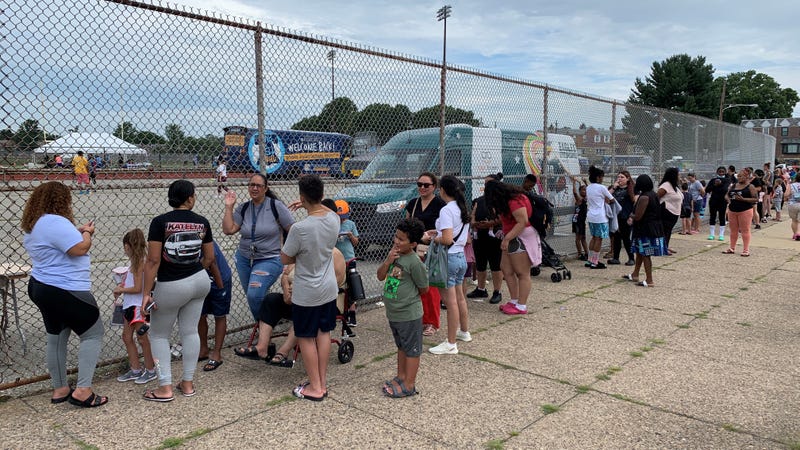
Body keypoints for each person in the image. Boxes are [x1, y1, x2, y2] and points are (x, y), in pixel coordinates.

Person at [21, 181, 108, 407]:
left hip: (41, 285)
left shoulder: (35, 223)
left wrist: (77, 232)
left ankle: (60, 388)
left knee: (57, 336)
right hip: (65, 288)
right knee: (93, 333)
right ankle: (83, 390)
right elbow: (79, 248)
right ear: (61, 201)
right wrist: (88, 233)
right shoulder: (55, 220)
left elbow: (59, 243)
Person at [141, 180, 222, 402]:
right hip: (199, 280)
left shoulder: (160, 222)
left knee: (158, 334)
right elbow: (210, 257)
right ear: (189, 198)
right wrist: (193, 270)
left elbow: (153, 260)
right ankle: (187, 383)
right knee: (190, 331)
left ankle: (164, 387)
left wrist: (146, 292)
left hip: (170, 283)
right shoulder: (202, 222)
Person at [282, 174, 339, 401]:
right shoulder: (334, 218)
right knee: (323, 333)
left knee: (306, 337)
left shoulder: (299, 228)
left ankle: (315, 388)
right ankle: (321, 381)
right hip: (328, 288)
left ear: (302, 197)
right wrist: (309, 204)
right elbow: (327, 209)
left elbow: (286, 258)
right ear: (322, 195)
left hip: (307, 291)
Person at [224, 173, 294, 358]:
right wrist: (229, 207)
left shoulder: (275, 206)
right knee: (253, 297)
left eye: (258, 185)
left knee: (255, 294)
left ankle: (264, 337)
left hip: (270, 258)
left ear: (266, 188)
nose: (254, 188)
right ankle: (266, 341)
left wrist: (291, 258)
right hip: (245, 258)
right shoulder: (244, 208)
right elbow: (228, 229)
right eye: (251, 185)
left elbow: (292, 230)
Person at [378, 218, 428, 397]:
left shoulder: (414, 262)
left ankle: (409, 384)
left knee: (412, 349)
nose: (396, 241)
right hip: (395, 313)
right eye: (396, 237)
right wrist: (387, 261)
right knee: (401, 346)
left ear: (413, 243)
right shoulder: (394, 255)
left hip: (409, 314)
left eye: (401, 239)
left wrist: (408, 299)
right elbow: (380, 276)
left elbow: (424, 288)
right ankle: (401, 376)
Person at [425, 175, 471, 355]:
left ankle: (451, 343)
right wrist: (437, 232)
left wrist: (430, 238)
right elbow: (454, 235)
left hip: (448, 259)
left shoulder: (446, 210)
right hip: (460, 257)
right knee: (459, 297)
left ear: (443, 190)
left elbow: (446, 239)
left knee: (450, 302)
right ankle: (464, 331)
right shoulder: (461, 208)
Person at [483, 179, 541, 316]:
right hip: (510, 236)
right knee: (507, 269)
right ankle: (514, 300)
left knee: (522, 273)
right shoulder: (506, 201)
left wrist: (507, 238)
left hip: (520, 237)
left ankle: (521, 305)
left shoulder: (515, 200)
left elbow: (522, 221)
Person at [404, 172, 446, 337]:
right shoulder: (413, 203)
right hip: (414, 249)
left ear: (434, 187)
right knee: (413, 286)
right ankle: (417, 319)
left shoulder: (440, 204)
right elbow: (406, 225)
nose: (422, 187)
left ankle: (432, 322)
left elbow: (445, 229)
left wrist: (431, 236)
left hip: (431, 250)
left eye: (426, 185)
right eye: (419, 184)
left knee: (430, 288)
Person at [115, 228, 157, 385]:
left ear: (127, 246)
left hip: (137, 306)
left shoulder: (140, 263)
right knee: (127, 337)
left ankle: (150, 370)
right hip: (129, 305)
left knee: (142, 338)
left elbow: (138, 288)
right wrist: (122, 286)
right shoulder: (135, 263)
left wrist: (121, 289)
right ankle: (135, 369)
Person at [623, 174, 666, 287]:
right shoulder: (653, 194)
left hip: (646, 229)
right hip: (652, 227)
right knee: (640, 252)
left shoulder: (644, 197)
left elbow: (638, 216)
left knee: (646, 254)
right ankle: (635, 274)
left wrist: (631, 216)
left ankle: (649, 279)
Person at [467, 174, 503, 304]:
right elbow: (473, 215)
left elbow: (503, 218)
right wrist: (475, 222)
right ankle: (481, 288)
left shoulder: (500, 200)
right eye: (485, 183)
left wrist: (490, 224)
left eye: (489, 183)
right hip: (480, 236)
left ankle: (497, 291)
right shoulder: (479, 200)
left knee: (495, 265)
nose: (486, 185)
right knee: (480, 264)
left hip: (494, 237)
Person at [198, 241, 232, 372]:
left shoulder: (203, 236)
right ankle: (203, 348)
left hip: (218, 278)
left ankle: (217, 353)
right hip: (201, 280)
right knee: (200, 314)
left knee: (220, 314)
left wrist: (220, 285)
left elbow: (210, 259)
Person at [585, 166, 614, 268]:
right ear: (598, 178)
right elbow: (611, 199)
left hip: (591, 216)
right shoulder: (602, 188)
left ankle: (590, 259)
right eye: (602, 177)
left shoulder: (588, 187)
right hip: (600, 217)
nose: (602, 179)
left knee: (593, 238)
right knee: (599, 239)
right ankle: (595, 261)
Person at [723, 169, 758, 256]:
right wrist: (728, 199)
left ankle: (746, 249)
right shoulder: (734, 185)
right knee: (733, 230)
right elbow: (727, 194)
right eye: (738, 176)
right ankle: (732, 247)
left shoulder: (750, 186)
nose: (739, 178)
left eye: (741, 176)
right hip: (733, 209)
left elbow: (756, 199)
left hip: (745, 210)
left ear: (746, 177)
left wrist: (744, 199)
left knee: (745, 230)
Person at [607, 170, 636, 266]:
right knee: (616, 237)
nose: (619, 179)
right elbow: (606, 196)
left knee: (626, 238)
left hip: (625, 216)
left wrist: (632, 216)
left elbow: (635, 203)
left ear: (628, 179)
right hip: (615, 216)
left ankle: (631, 258)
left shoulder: (630, 189)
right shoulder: (616, 189)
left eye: (622, 177)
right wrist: (614, 187)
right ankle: (616, 257)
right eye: (618, 177)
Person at [657, 167, 682, 255]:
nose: (680, 177)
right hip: (666, 211)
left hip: (674, 212)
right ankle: (662, 249)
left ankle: (665, 246)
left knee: (668, 231)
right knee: (664, 230)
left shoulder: (674, 186)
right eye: (678, 175)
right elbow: (657, 197)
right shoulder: (666, 185)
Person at [706, 166, 730, 241]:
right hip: (713, 200)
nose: (721, 173)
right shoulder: (713, 180)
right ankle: (712, 234)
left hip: (722, 201)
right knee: (712, 216)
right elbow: (707, 189)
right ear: (717, 172)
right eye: (720, 171)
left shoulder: (727, 180)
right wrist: (714, 185)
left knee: (722, 216)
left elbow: (725, 189)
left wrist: (719, 184)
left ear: (725, 172)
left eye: (723, 172)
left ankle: (721, 234)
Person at [571, 176, 588, 260]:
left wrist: (585, 182)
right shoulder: (580, 199)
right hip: (577, 221)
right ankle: (580, 254)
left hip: (582, 221)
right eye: (583, 190)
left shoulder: (585, 199)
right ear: (580, 191)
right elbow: (574, 193)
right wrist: (574, 182)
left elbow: (590, 191)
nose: (585, 191)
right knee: (578, 237)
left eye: (585, 190)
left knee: (583, 237)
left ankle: (587, 253)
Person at [785, 173, 800, 240]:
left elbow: (786, 194)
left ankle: (795, 234)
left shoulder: (791, 185)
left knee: (794, 220)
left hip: (793, 204)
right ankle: (799, 233)